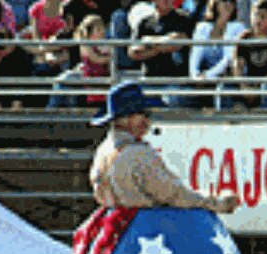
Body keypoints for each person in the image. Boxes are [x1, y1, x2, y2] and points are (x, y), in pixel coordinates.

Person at [87, 80, 241, 213]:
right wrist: (218, 203)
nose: (147, 120)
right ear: (126, 119)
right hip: (146, 231)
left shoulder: (102, 152)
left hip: (115, 235)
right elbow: (175, 195)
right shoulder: (139, 155)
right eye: (143, 113)